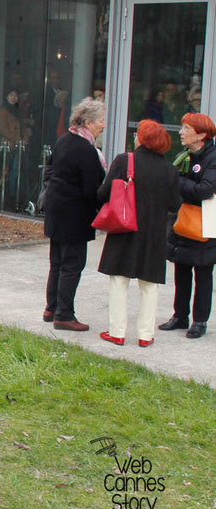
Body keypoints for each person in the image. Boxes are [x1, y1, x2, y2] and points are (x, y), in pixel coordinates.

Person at [97, 120, 182, 347]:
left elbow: (104, 193)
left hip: (124, 229)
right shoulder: (170, 170)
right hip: (154, 234)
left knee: (119, 281)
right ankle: (145, 335)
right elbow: (175, 204)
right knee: (149, 286)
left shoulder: (125, 161)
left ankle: (117, 332)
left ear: (142, 139)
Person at [43, 97, 107, 331]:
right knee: (71, 265)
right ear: (88, 122)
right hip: (75, 217)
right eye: (100, 120)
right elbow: (93, 189)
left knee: (57, 263)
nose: (103, 125)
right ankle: (64, 315)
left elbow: (49, 171)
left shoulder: (63, 141)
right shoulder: (86, 150)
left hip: (56, 211)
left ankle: (51, 308)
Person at [159, 113, 216, 339]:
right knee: (181, 268)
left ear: (201, 134)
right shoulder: (185, 155)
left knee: (202, 272)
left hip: (204, 224)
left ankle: (200, 321)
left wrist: (177, 180)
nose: (181, 132)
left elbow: (205, 190)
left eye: (186, 128)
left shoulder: (212, 157)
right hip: (183, 221)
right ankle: (180, 316)